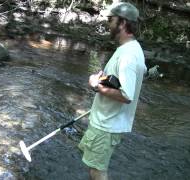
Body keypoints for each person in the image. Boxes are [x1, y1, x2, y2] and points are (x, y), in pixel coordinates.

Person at [78, 2, 147, 180]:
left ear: (122, 23)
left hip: (107, 125)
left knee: (97, 171)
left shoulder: (128, 55)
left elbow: (126, 95)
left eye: (111, 19)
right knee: (92, 165)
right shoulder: (131, 49)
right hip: (105, 120)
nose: (108, 23)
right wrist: (105, 80)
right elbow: (137, 76)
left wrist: (96, 86)